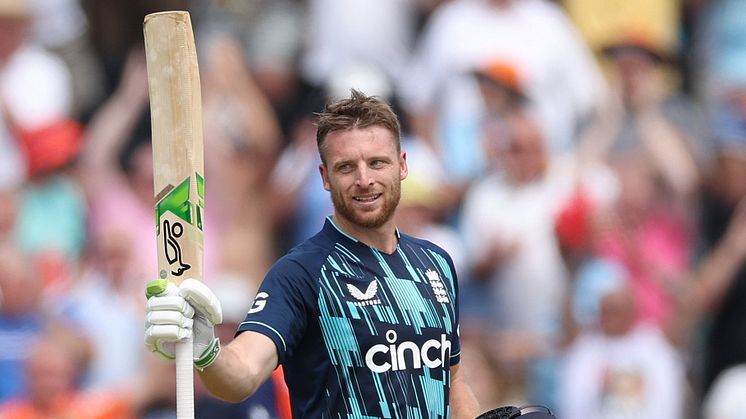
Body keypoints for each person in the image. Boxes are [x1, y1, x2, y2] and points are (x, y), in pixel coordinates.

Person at [144, 90, 480, 418]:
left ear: (402, 166)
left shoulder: (436, 263)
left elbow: (453, 381)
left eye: (377, 163)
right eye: (346, 167)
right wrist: (207, 351)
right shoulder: (301, 272)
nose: (364, 179)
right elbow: (242, 374)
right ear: (325, 177)